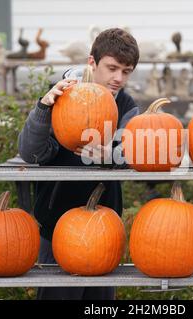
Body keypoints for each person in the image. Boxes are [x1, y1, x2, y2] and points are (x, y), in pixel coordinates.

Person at [18, 28, 140, 300]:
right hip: (57, 222)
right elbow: (31, 152)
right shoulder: (61, 95)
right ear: (92, 63)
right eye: (112, 68)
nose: (118, 78)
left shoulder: (126, 105)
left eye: (126, 71)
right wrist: (43, 108)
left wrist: (111, 156)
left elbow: (134, 154)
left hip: (104, 225)